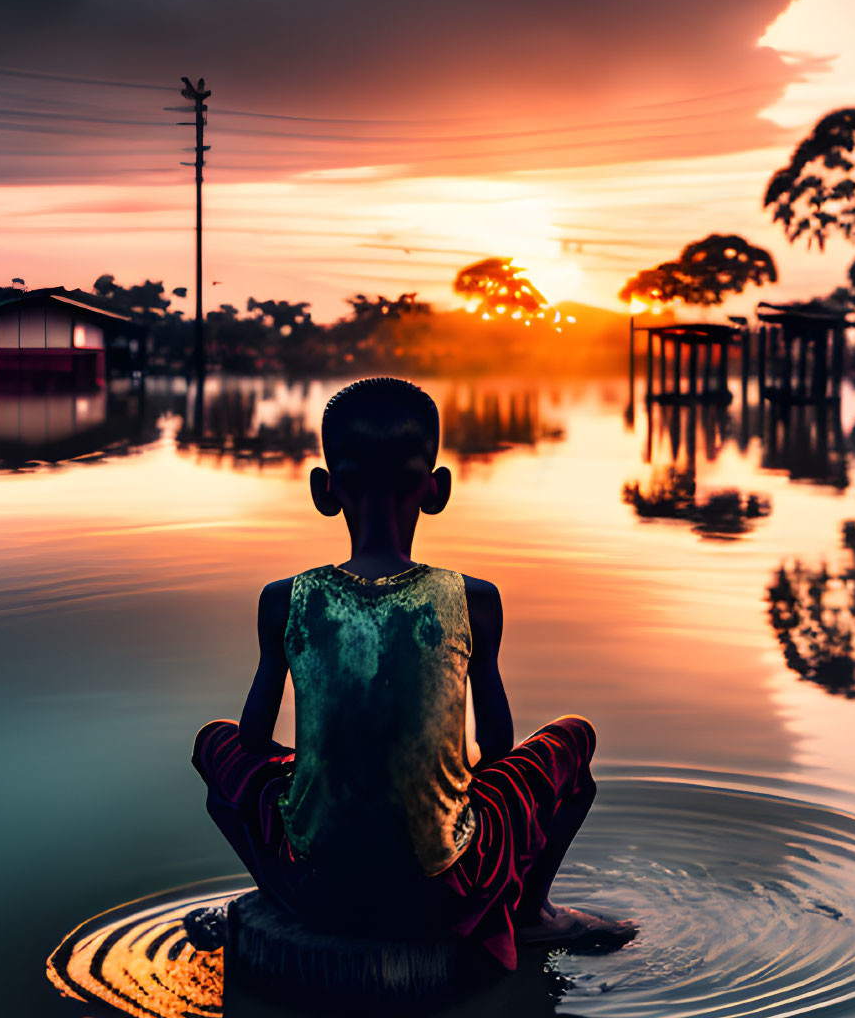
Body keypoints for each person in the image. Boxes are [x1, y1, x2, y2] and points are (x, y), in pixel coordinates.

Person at [193, 376, 634, 969]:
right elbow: (498, 746)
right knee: (574, 739)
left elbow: (248, 741)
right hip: (444, 889)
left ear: (324, 490)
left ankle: (278, 891)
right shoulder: (474, 599)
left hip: (320, 884)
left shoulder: (283, 599)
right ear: (436, 488)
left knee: (214, 745)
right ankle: (532, 916)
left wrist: (325, 767)